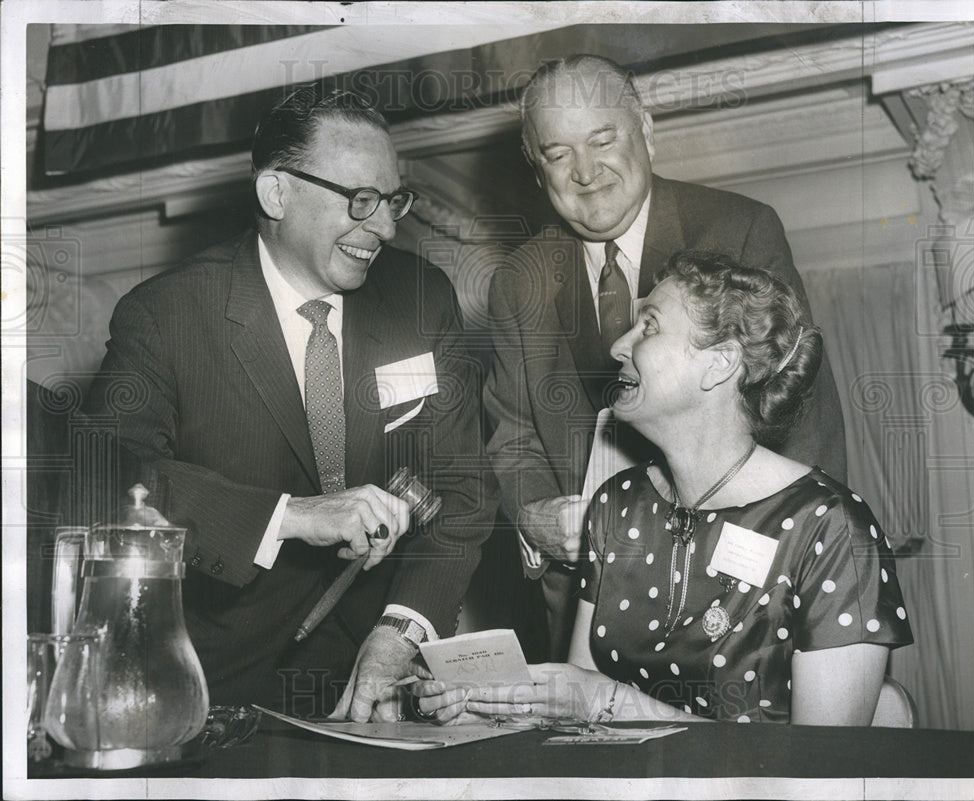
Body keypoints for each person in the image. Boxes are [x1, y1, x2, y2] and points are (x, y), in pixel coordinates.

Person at [84, 85, 497, 720]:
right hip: (210, 684)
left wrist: (402, 632)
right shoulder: (166, 315)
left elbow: (462, 490)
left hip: (377, 670)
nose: (385, 227)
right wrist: (292, 515)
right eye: (360, 201)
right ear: (276, 193)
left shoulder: (421, 297)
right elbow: (109, 479)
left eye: (393, 201)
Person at [414, 251, 912, 725]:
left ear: (719, 363)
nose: (617, 346)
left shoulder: (832, 530)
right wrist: (490, 703)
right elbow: (579, 711)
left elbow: (819, 773)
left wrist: (608, 703)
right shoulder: (617, 505)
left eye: (649, 325)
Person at [484, 54, 848, 660]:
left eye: (603, 139)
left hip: (733, 598)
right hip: (581, 601)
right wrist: (534, 517)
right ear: (536, 166)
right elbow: (513, 435)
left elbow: (803, 419)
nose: (584, 171)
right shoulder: (517, 280)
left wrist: (780, 578)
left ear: (646, 131)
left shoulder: (739, 231)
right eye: (557, 153)